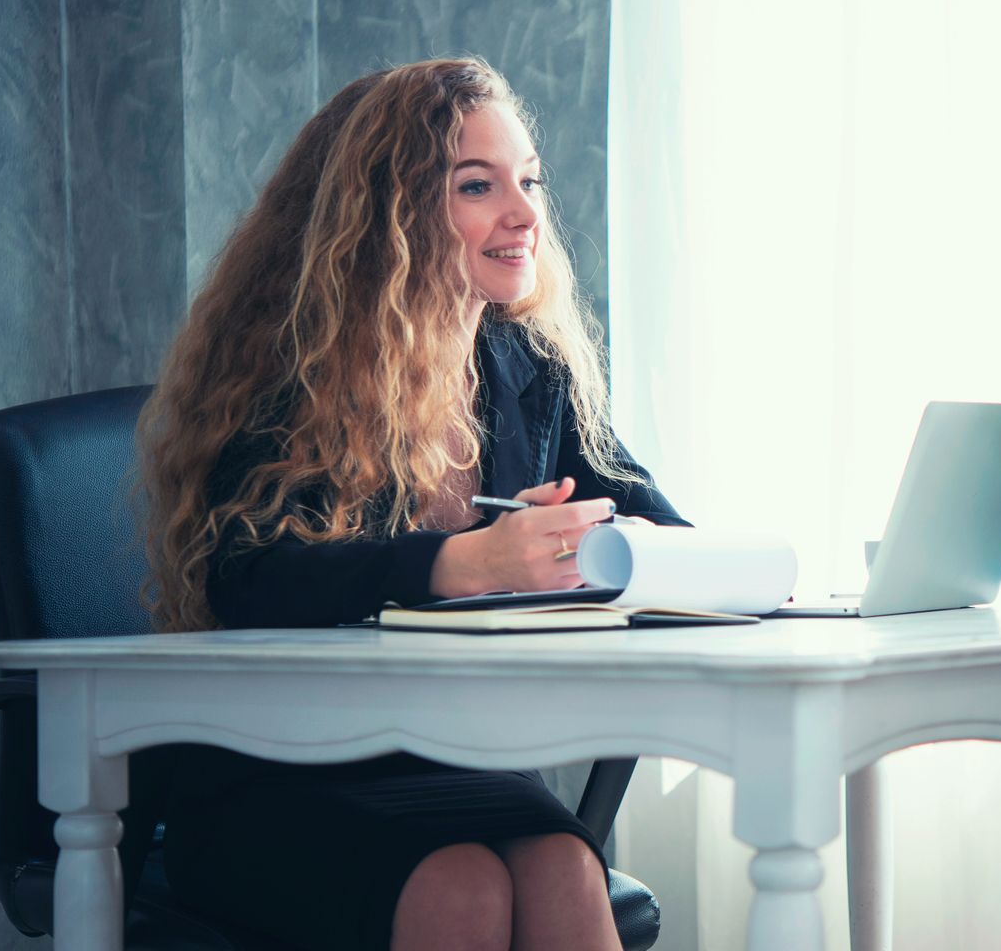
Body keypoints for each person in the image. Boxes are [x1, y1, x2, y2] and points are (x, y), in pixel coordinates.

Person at [139, 58, 687, 950]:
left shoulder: (529, 372)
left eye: (529, 182)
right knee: (458, 887)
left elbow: (655, 529)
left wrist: (615, 546)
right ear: (390, 213)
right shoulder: (291, 374)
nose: (524, 215)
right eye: (479, 186)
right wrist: (464, 563)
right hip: (279, 771)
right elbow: (246, 582)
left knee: (566, 869)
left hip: (449, 759)